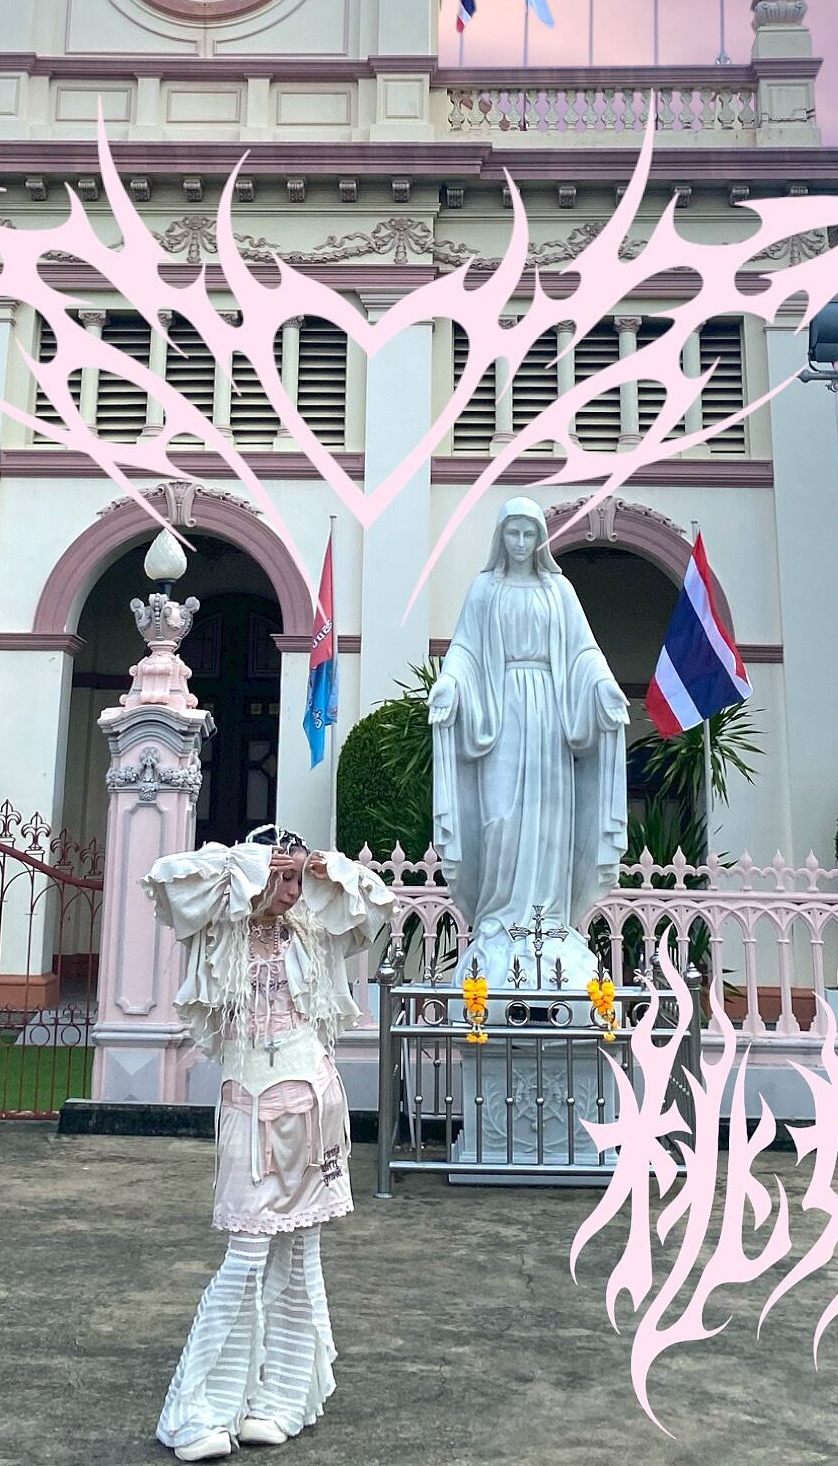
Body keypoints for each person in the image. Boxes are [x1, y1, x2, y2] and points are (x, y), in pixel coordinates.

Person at [148, 824, 392, 1459]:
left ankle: (282, 1398)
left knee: (300, 1252)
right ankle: (199, 1409)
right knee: (248, 1254)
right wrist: (253, 860)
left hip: (314, 1101)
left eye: (297, 879)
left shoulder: (310, 930)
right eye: (281, 878)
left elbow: (375, 901)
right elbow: (172, 879)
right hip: (249, 1105)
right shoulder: (221, 930)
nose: (291, 890)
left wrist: (323, 867)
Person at [427, 496, 629, 990]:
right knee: (500, 819)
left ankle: (548, 921)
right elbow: (465, 650)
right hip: (500, 715)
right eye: (512, 533)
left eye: (528, 534)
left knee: (548, 820)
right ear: (501, 537)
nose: (520, 543)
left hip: (550, 717)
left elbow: (584, 652)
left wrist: (604, 685)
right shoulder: (484, 589)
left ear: (540, 539)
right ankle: (497, 920)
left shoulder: (559, 590)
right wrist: (448, 684)